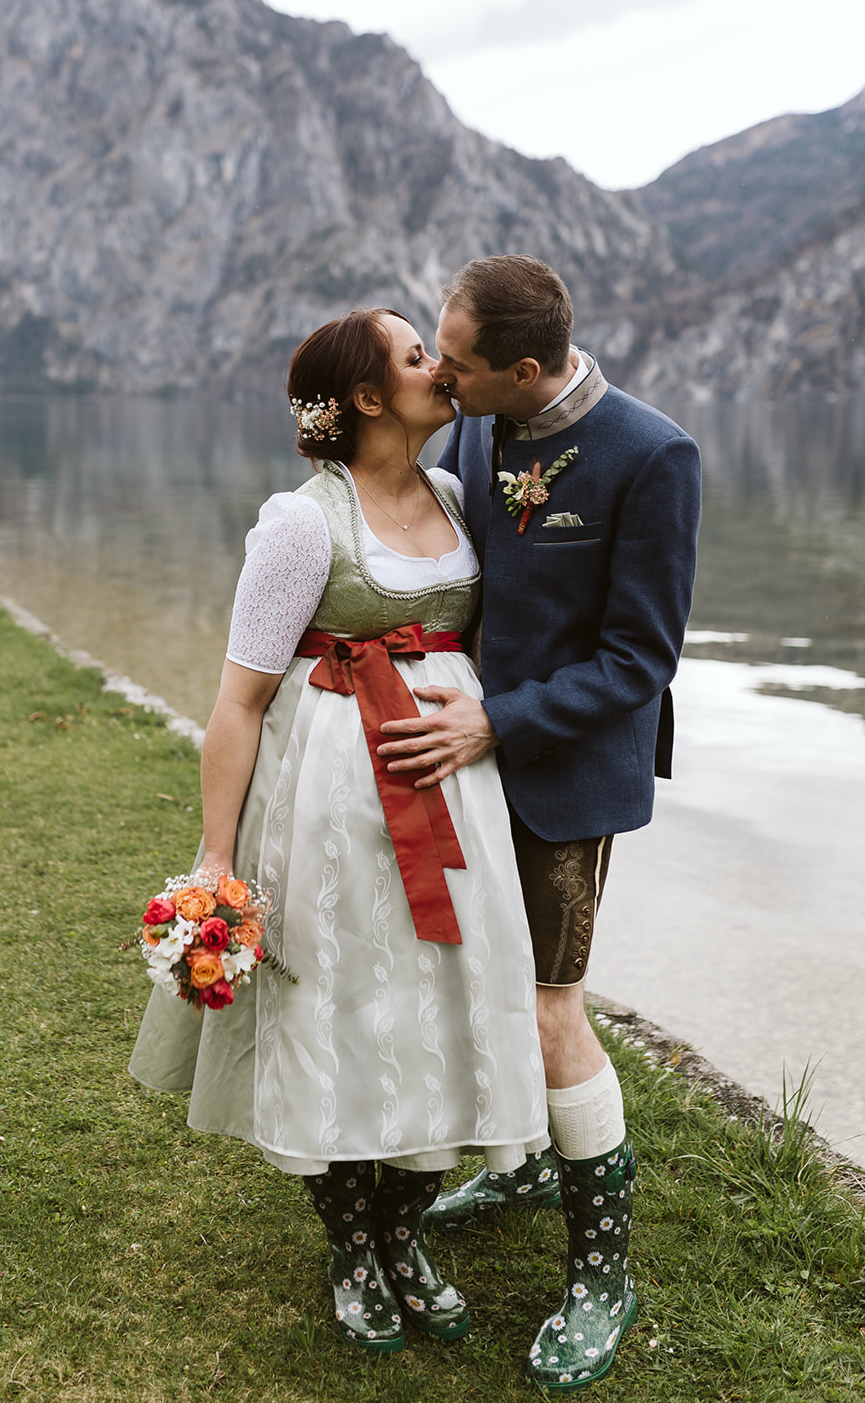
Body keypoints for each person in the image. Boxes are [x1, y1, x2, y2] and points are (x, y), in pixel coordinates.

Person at [129, 308, 548, 1355]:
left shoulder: (458, 496)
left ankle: (403, 1233)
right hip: (330, 802)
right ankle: (350, 1246)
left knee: (440, 1008)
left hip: (454, 797)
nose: (441, 369)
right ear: (366, 397)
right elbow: (238, 700)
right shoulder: (301, 523)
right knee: (347, 1013)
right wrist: (216, 858)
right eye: (417, 358)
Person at [377, 255, 702, 1391]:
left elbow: (639, 659)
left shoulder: (650, 453)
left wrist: (493, 722)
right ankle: (518, 1165)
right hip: (458, 763)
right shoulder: (473, 427)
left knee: (550, 1005)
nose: (439, 374)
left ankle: (602, 1274)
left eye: (455, 362)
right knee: (472, 982)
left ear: (521, 368)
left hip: (561, 773)